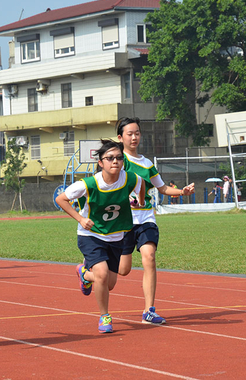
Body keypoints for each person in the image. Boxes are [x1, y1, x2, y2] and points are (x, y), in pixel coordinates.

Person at [83, 118, 195, 326]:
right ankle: (86, 274)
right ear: (120, 137)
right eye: (129, 134)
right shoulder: (114, 160)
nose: (134, 137)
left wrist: (182, 191)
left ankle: (149, 311)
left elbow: (162, 188)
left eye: (137, 133)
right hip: (122, 224)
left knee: (149, 257)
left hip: (145, 219)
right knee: (115, 278)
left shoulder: (147, 164)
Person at [56, 139, 145, 333]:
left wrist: (140, 200)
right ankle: (105, 316)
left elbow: (141, 184)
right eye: (110, 158)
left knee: (109, 284)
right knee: (102, 275)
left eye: (119, 158)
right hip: (91, 235)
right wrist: (80, 218)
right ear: (100, 162)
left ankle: (83, 273)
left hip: (116, 236)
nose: (115, 161)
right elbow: (60, 198)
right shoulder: (89, 183)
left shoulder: (130, 178)